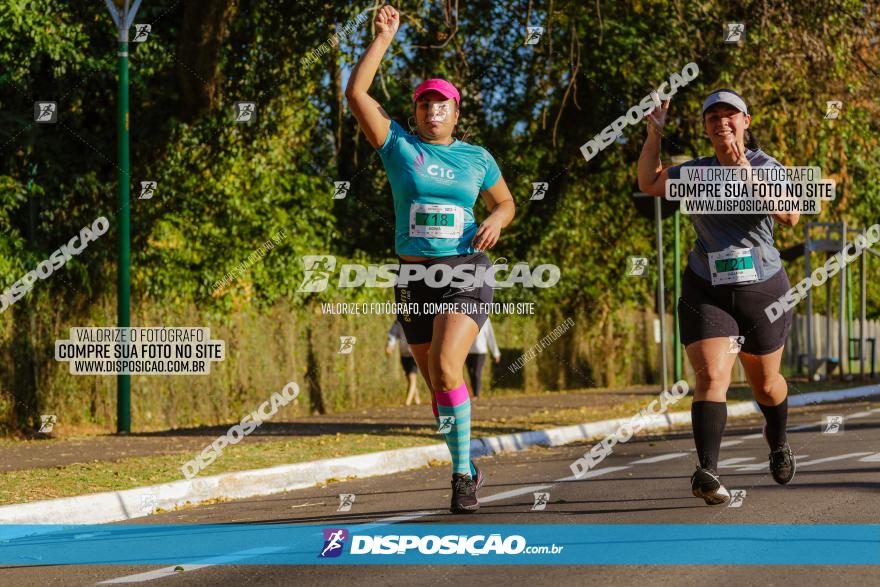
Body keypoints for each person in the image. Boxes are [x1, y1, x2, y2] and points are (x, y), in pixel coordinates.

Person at [345, 5, 515, 513]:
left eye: (442, 105)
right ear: (415, 112)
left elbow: (505, 202)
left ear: (455, 113)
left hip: (465, 267)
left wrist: (497, 221)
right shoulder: (397, 146)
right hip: (413, 276)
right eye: (424, 104)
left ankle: (461, 476)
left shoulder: (477, 158)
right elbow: (357, 95)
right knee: (438, 385)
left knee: (446, 364)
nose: (432, 111)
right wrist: (382, 38)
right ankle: (467, 461)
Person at [637, 88, 798, 505]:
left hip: (762, 290)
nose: (722, 121)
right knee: (711, 376)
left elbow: (790, 213)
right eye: (713, 117)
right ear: (705, 127)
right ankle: (707, 470)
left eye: (731, 115)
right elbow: (650, 182)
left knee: (765, 385)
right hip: (706, 287)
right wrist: (654, 133)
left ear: (746, 121)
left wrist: (745, 169)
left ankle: (778, 440)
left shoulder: (768, 165)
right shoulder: (696, 171)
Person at [386, 319, 421, 406]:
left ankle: (407, 402)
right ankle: (417, 400)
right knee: (409, 378)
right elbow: (392, 335)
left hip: (414, 353)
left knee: (413, 378)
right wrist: (390, 346)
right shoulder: (399, 322)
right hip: (404, 354)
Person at [466, 318, 501, 399]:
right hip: (468, 351)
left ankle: (476, 395)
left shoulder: (485, 319)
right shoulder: (465, 316)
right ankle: (474, 393)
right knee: (470, 373)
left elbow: (490, 336)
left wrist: (496, 353)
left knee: (476, 372)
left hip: (481, 351)